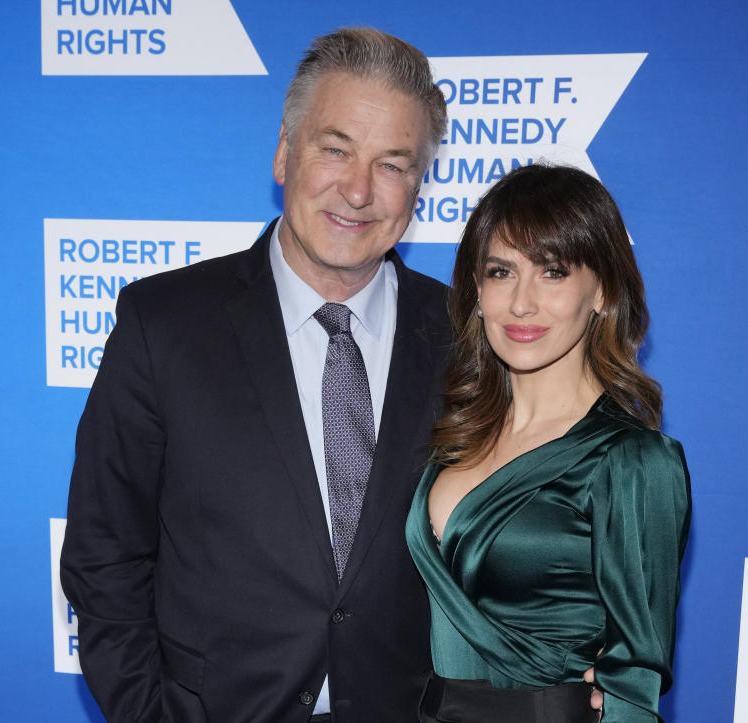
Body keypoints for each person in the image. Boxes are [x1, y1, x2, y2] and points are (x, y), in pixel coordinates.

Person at [60, 28, 453, 722]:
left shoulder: (466, 337)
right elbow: (105, 555)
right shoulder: (163, 325)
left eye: (392, 163)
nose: (358, 190)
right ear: (283, 151)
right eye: (335, 148)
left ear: (419, 186)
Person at [406, 164, 692, 722]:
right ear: (477, 291)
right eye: (501, 271)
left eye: (554, 272)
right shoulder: (453, 437)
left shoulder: (632, 462)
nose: (521, 303)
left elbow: (634, 694)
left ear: (602, 290)